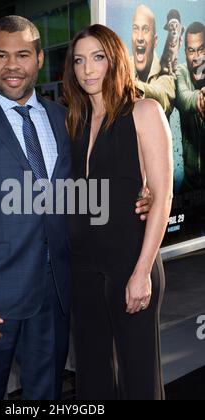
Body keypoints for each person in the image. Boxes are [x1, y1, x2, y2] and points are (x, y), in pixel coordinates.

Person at [0, 16, 152, 400]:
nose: (12, 65)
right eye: (1, 55)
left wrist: (144, 192)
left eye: (22, 55)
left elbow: (85, 185)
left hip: (55, 300)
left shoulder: (64, 118)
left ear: (37, 59)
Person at [63, 24, 173, 400]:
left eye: (98, 58)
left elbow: (161, 196)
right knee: (92, 378)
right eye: (79, 60)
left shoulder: (144, 110)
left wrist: (142, 271)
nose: (87, 69)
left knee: (139, 378)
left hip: (131, 262)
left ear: (115, 60)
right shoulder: (73, 120)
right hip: (84, 268)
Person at [131, 5, 175, 119]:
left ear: (155, 41)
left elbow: (162, 96)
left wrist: (132, 87)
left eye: (145, 29)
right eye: (136, 29)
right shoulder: (120, 68)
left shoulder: (166, 71)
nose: (139, 37)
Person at [175, 22, 205, 192]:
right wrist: (199, 99)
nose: (196, 57)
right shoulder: (181, 72)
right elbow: (183, 97)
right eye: (191, 50)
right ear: (185, 52)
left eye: (201, 49)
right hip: (189, 185)